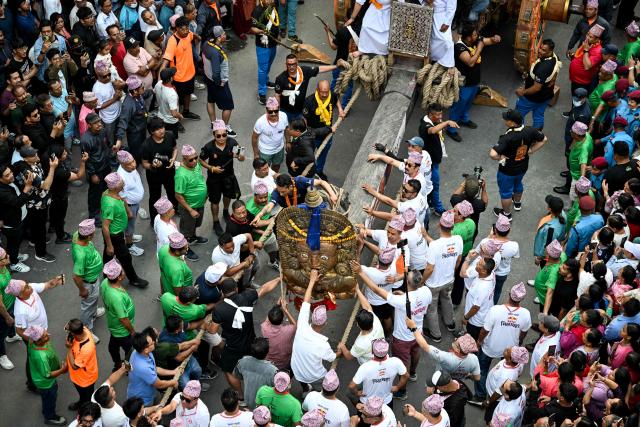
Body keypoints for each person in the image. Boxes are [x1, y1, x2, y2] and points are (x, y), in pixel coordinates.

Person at [357, 262, 432, 400]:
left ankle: (402, 391)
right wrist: (403, 294)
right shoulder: (426, 292)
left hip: (402, 339)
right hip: (417, 333)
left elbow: (376, 289)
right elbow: (418, 302)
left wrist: (360, 273)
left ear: (407, 283)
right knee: (415, 353)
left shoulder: (402, 301)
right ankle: (413, 373)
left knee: (403, 364)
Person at [211, 276, 280, 387]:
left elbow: (213, 330)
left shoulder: (219, 309)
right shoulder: (247, 297)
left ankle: (240, 395)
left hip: (233, 346)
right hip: (250, 341)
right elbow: (264, 288)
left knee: (228, 370)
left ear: (222, 292)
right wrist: (278, 279)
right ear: (237, 289)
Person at [475, 282, 531, 404]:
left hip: (491, 347)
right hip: (511, 350)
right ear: (522, 298)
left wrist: (479, 342)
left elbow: (485, 330)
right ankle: (502, 386)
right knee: (506, 369)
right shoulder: (525, 314)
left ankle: (480, 395)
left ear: (509, 294)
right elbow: (524, 331)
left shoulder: (495, 310)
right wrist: (519, 342)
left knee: (482, 369)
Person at [489, 109, 547, 220]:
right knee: (518, 184)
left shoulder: (507, 137)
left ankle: (507, 214)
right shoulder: (530, 130)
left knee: (506, 193)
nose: (504, 120)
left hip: (507, 171)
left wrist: (500, 157)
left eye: (506, 119)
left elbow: (492, 154)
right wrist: (531, 150)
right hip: (523, 166)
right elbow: (544, 139)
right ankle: (517, 203)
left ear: (512, 123)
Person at [448, 23, 501, 142]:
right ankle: (451, 129)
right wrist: (480, 48)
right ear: (468, 38)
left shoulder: (475, 40)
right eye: (474, 34)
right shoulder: (460, 48)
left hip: (474, 82)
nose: (477, 36)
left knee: (468, 103)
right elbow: (471, 62)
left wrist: (494, 39)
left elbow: (487, 41)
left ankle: (464, 119)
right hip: (465, 84)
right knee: (459, 105)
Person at [290, 269, 339, 391]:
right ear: (325, 323)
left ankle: (305, 390)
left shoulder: (302, 325)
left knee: (302, 379)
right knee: (325, 388)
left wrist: (312, 281)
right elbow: (332, 357)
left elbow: (306, 302)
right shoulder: (323, 345)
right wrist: (341, 350)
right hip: (315, 377)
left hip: (296, 370)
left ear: (311, 318)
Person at [420, 211, 462, 342]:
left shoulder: (434, 246)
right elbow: (458, 260)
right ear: (453, 226)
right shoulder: (458, 239)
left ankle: (436, 334)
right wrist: (451, 271)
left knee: (431, 309)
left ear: (439, 225)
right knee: (446, 299)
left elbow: (429, 268)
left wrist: (422, 282)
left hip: (433, 284)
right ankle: (450, 323)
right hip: (449, 279)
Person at [101, 173, 148, 288]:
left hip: (117, 233)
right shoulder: (110, 205)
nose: (124, 185)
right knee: (125, 257)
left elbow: (121, 198)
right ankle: (133, 279)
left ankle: (106, 275)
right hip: (114, 235)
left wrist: (127, 211)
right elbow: (105, 227)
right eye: (122, 184)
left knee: (109, 255)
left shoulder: (110, 193)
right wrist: (110, 245)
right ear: (115, 187)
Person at [199, 119, 245, 236]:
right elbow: (201, 160)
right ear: (214, 135)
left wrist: (238, 155)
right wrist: (211, 168)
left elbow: (242, 157)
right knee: (215, 201)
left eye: (224, 135)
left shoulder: (232, 143)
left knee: (228, 195)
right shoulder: (208, 147)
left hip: (229, 176)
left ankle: (225, 211)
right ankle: (215, 221)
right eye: (218, 135)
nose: (221, 138)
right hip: (214, 179)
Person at [419, 103, 459, 215]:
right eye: (438, 114)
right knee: (434, 185)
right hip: (430, 163)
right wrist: (447, 122)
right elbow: (431, 131)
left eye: (441, 113)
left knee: (429, 184)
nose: (441, 116)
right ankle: (438, 208)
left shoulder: (434, 121)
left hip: (434, 159)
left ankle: (430, 202)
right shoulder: (425, 126)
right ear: (430, 115)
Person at [23, 325, 68, 426]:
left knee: (48, 397)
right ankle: (49, 417)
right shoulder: (40, 356)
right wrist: (63, 370)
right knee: (50, 399)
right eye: (44, 335)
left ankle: (47, 409)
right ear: (38, 340)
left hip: (42, 377)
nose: (48, 334)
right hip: (46, 383)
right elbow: (48, 375)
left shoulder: (32, 341)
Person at [302, 80, 345, 179]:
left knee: (323, 155)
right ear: (317, 89)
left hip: (327, 134)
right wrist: (305, 134)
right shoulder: (309, 101)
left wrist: (340, 109)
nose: (325, 94)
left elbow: (336, 99)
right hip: (313, 133)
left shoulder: (331, 95)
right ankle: (309, 173)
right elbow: (304, 120)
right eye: (322, 92)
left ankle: (319, 171)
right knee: (309, 156)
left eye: (327, 91)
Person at [274, 54, 336, 122]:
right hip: (285, 112)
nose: (291, 67)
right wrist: (278, 112)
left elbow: (319, 69)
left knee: (301, 130)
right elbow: (277, 96)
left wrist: (336, 66)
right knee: (286, 129)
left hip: (300, 111)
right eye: (289, 64)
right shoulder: (280, 78)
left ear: (297, 63)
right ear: (286, 64)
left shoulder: (304, 71)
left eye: (294, 64)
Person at [71, 219, 105, 343]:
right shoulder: (81, 254)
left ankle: (94, 312)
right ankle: (87, 331)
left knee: (93, 300)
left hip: (94, 279)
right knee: (87, 307)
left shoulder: (77, 235)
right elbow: (76, 276)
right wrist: (83, 290)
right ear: (89, 236)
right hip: (88, 283)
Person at [515, 39, 560, 130]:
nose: (539, 51)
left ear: (550, 51)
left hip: (532, 99)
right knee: (538, 116)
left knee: (517, 116)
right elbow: (555, 72)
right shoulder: (555, 57)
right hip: (546, 96)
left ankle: (518, 135)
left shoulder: (543, 68)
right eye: (540, 48)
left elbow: (536, 88)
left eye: (543, 50)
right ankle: (536, 135)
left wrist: (523, 92)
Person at [161, 16, 200, 120]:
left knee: (188, 94)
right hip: (178, 77)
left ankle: (186, 112)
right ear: (176, 28)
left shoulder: (188, 34)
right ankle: (175, 119)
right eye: (183, 29)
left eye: (187, 28)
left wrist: (198, 38)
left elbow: (193, 36)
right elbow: (165, 62)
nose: (186, 31)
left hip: (190, 73)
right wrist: (160, 81)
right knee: (176, 99)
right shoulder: (172, 41)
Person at [100, 259, 136, 371]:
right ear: (119, 277)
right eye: (122, 270)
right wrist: (132, 331)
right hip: (122, 330)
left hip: (114, 326)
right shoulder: (117, 298)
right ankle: (128, 368)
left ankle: (117, 364)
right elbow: (124, 319)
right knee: (130, 351)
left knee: (113, 347)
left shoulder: (105, 283)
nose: (123, 271)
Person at [349, 338, 409, 404]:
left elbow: (351, 386)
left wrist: (357, 393)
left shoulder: (365, 367)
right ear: (387, 350)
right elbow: (406, 375)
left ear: (372, 351)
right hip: (386, 400)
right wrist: (397, 387)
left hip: (367, 401)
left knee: (349, 394)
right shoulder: (396, 361)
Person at [127, 330, 179, 405]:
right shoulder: (143, 367)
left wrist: (173, 372)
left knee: (158, 400)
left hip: (151, 391)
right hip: (143, 400)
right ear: (146, 349)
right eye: (151, 343)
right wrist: (173, 382)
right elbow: (159, 384)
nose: (154, 342)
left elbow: (154, 369)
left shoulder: (139, 352)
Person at [142, 118, 178, 222]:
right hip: (154, 175)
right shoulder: (146, 145)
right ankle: (154, 219)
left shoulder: (170, 135)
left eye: (162, 127)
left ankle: (175, 209)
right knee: (154, 197)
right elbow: (144, 163)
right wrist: (153, 166)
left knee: (172, 192)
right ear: (151, 131)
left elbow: (175, 149)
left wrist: (173, 159)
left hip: (169, 172)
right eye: (157, 129)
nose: (161, 131)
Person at [202, 26, 236, 136]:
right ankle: (224, 128)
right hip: (218, 82)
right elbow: (216, 72)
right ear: (218, 37)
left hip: (208, 79)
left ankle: (213, 123)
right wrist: (220, 83)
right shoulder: (216, 53)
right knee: (228, 106)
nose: (225, 36)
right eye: (224, 35)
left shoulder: (206, 44)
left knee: (210, 100)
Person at [81, 112, 114, 224]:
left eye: (99, 121)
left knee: (106, 190)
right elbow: (87, 160)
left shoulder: (103, 131)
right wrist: (92, 174)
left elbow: (108, 144)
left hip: (106, 166)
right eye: (95, 123)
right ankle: (94, 216)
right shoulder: (85, 139)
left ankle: (105, 210)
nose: (99, 124)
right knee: (95, 194)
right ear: (89, 125)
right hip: (96, 170)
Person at [0, 163, 33, 273]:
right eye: (7, 175)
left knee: (16, 241)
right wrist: (27, 187)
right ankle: (14, 263)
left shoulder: (9, 182)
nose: (11, 176)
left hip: (19, 217)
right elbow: (17, 202)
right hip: (11, 222)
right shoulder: (2, 191)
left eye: (10, 172)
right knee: (13, 243)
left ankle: (15, 255)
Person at [175, 144, 209, 246]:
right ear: (184, 159)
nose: (194, 161)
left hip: (200, 204)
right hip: (189, 208)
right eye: (191, 160)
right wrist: (190, 210)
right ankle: (185, 248)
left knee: (195, 224)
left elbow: (200, 178)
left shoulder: (196, 165)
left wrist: (205, 194)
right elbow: (178, 195)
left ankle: (193, 237)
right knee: (186, 229)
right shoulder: (181, 175)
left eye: (196, 158)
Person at [231, 337, 278, 408]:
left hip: (248, 400)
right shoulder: (273, 370)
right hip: (264, 403)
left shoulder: (242, 361)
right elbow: (278, 389)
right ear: (267, 352)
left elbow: (236, 375)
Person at [250, 0, 280, 105]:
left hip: (273, 43)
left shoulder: (274, 6)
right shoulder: (257, 11)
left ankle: (266, 81)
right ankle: (262, 92)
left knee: (269, 64)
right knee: (263, 68)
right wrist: (261, 31)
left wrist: (278, 36)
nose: (270, 0)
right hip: (263, 44)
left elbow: (276, 22)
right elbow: (253, 28)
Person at [116, 150, 145, 256]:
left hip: (135, 204)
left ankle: (131, 237)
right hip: (129, 206)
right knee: (129, 226)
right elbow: (122, 197)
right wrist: (128, 211)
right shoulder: (121, 177)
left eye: (133, 161)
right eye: (129, 164)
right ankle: (129, 245)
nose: (133, 165)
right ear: (122, 164)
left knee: (131, 225)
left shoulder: (131, 169)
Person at [65, 319, 99, 411]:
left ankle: (86, 411)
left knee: (87, 398)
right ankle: (81, 402)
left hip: (85, 379)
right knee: (82, 395)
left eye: (68, 331)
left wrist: (69, 348)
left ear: (74, 334)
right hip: (78, 377)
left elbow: (75, 366)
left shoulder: (86, 348)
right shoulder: (83, 329)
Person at [252, 97, 290, 173]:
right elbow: (254, 138)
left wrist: (288, 142)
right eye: (270, 111)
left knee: (276, 166)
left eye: (276, 111)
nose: (273, 113)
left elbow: (286, 129)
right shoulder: (260, 122)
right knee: (264, 169)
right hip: (265, 151)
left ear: (279, 108)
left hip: (279, 148)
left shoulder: (284, 116)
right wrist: (256, 154)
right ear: (266, 110)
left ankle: (274, 179)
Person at [261, 300, 297, 370]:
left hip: (269, 361)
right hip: (284, 361)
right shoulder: (289, 330)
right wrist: (286, 310)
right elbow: (295, 325)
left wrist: (277, 305)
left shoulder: (264, 328)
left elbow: (267, 319)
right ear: (282, 318)